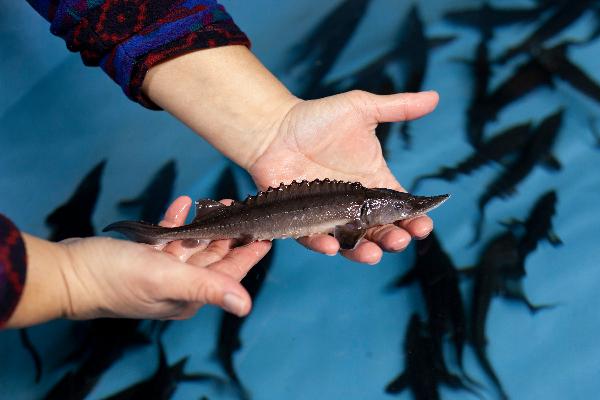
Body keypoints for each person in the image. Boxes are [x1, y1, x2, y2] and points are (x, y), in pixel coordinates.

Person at [0, 0, 440, 329]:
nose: (410, 208)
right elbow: (349, 239)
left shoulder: (358, 212)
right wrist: (73, 282)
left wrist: (271, 124)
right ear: (370, 214)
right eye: (403, 208)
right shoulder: (355, 214)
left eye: (404, 206)